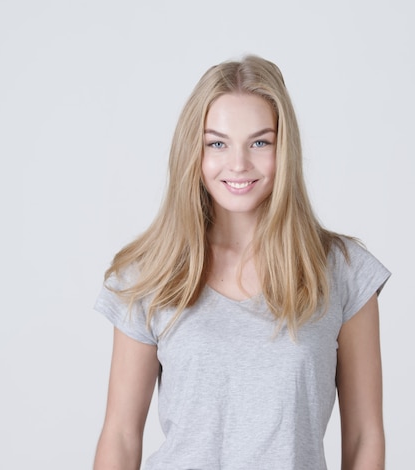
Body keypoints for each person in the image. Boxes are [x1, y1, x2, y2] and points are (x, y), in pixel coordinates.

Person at [92, 55, 390, 470]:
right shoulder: (150, 273)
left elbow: (363, 437)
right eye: (217, 143)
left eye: (260, 142)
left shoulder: (344, 271)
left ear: (284, 149)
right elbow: (121, 436)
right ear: (193, 151)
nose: (238, 164)